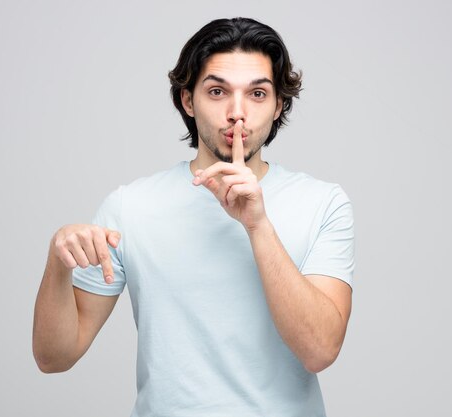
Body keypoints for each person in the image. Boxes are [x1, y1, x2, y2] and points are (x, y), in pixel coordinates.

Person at [33, 17, 355, 417]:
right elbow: (54, 357)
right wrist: (56, 264)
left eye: (257, 93)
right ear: (188, 100)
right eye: (217, 91)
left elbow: (320, 349)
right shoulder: (131, 207)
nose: (237, 113)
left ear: (279, 106)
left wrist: (257, 225)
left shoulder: (322, 202)